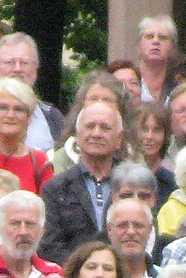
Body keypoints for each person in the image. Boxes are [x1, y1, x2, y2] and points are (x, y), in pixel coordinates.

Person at [40, 91, 125, 255]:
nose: (96, 133)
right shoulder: (55, 189)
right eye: (90, 126)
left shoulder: (133, 185)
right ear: (77, 135)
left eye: (105, 128)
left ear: (120, 138)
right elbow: (50, 248)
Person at [0, 75, 53, 195]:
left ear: (29, 117)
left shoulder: (39, 160)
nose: (10, 115)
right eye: (3, 108)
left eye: (19, 109)